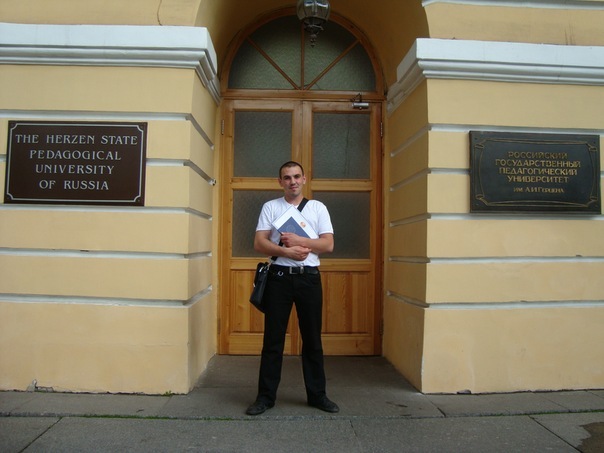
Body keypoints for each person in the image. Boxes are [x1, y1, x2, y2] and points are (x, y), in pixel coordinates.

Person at [246, 161, 339, 416]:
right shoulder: (271, 207)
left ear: (304, 179)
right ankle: (265, 398)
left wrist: (299, 240)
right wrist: (286, 251)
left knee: (312, 340)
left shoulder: (318, 208)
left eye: (297, 176)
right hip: (279, 278)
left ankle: (318, 396)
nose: (292, 181)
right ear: (280, 182)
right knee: (273, 340)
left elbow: (328, 245)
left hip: (309, 278)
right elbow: (259, 243)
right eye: (287, 177)